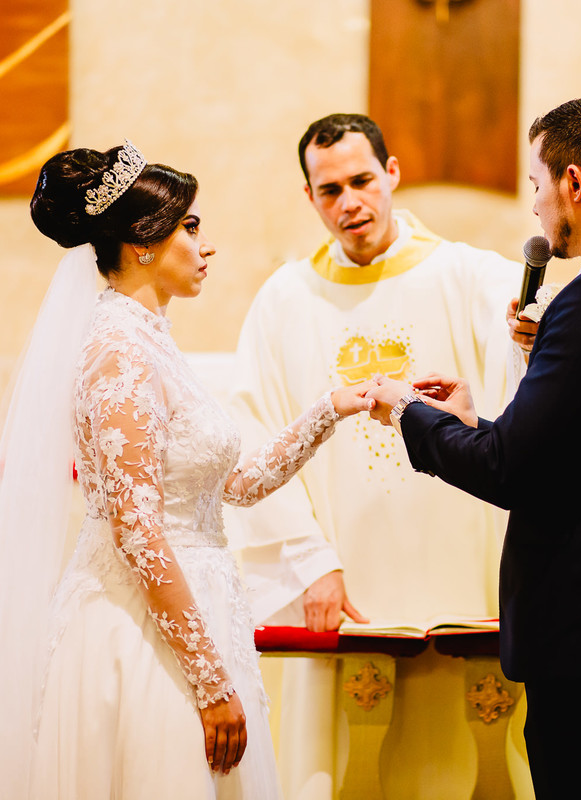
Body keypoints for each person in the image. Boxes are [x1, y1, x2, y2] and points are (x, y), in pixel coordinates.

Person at [0, 141, 374, 800]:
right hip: (139, 632)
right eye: (190, 227)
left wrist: (331, 408)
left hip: (194, 610)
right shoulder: (119, 353)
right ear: (141, 244)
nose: (206, 246)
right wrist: (209, 680)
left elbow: (233, 485)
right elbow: (137, 531)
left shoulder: (149, 339)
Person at [366, 98, 581, 799]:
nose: (534, 205)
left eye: (537, 183)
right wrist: (471, 420)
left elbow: (509, 470)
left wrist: (409, 411)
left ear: (575, 182)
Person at [227, 113, 534, 795]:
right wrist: (310, 563)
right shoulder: (284, 300)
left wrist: (528, 331)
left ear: (392, 174)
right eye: (330, 190)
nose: (350, 203)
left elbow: (530, 339)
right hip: (345, 573)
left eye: (362, 181)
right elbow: (256, 438)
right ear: (310, 197)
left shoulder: (467, 275)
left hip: (457, 561)